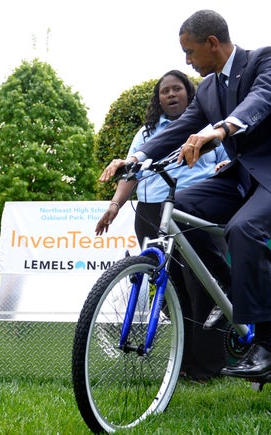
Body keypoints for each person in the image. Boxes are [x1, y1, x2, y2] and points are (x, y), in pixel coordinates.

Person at [99, 10, 271, 379]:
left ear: (212, 43)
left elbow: (260, 100)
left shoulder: (264, 59)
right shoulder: (207, 89)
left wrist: (222, 130)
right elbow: (182, 129)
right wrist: (136, 157)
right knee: (184, 207)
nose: (186, 61)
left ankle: (267, 347)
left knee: (244, 228)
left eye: (190, 52)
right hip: (242, 177)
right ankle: (231, 289)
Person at [96, 70, 230, 382]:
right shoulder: (147, 133)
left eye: (176, 89)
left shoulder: (210, 126)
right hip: (153, 212)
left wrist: (226, 167)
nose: (170, 95)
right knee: (171, 290)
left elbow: (228, 157)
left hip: (198, 209)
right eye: (164, 91)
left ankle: (208, 367)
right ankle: (182, 362)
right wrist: (115, 205)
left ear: (189, 93)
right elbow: (132, 171)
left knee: (204, 287)